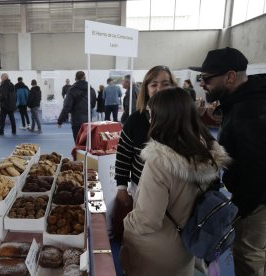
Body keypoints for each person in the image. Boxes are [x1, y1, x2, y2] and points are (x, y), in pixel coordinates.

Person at [120, 87, 230, 276]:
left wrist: (127, 221)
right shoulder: (207, 152)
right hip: (186, 247)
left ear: (162, 117)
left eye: (150, 113)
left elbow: (147, 220)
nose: (148, 118)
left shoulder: (159, 161)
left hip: (153, 256)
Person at [190, 47, 266, 276]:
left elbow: (257, 170)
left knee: (248, 256)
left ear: (230, 76)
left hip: (257, 202)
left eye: (206, 78)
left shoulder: (249, 112)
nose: (201, 84)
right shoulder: (247, 99)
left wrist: (241, 209)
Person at [113, 66, 176, 241]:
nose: (159, 89)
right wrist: (121, 187)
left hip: (178, 193)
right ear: (147, 89)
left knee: (171, 236)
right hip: (142, 188)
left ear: (173, 87)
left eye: (165, 83)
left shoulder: (184, 119)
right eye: (154, 84)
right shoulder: (135, 120)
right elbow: (124, 155)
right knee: (144, 235)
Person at [57, 71, 96, 142]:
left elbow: (67, 107)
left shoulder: (71, 90)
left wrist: (60, 121)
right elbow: (93, 105)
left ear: (75, 79)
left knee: (78, 143)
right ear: (85, 78)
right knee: (87, 143)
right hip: (88, 120)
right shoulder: (91, 90)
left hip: (76, 120)